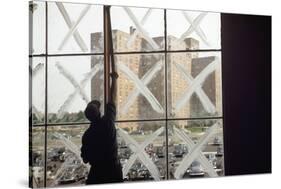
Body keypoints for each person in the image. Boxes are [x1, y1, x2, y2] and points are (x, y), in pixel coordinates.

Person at [80, 70, 123, 184]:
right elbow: (112, 98)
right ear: (99, 112)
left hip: (97, 173)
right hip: (114, 170)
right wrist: (114, 79)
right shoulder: (108, 122)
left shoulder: (87, 136)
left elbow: (85, 159)